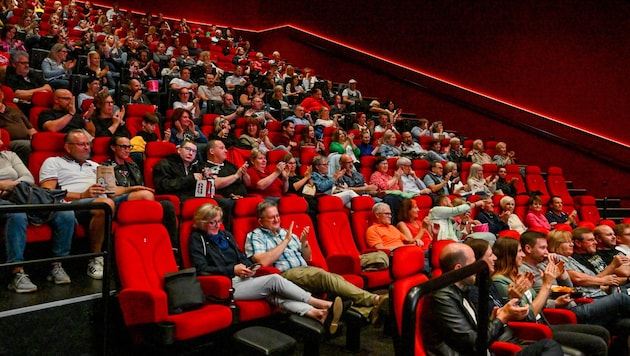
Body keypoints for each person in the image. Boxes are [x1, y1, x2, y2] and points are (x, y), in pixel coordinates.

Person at [188, 203, 345, 333]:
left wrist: (250, 267)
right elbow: (201, 268)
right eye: (212, 222)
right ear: (202, 222)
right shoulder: (197, 239)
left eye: (219, 221)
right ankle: (321, 304)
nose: (217, 225)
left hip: (243, 278)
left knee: (274, 295)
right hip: (224, 285)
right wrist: (232, 270)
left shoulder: (226, 235)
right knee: (274, 280)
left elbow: (241, 257)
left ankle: (318, 314)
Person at [244, 201, 386, 321]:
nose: (276, 220)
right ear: (261, 221)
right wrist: (285, 241)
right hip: (284, 276)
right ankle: (373, 300)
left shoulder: (286, 232)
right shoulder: (256, 236)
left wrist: (304, 243)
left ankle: (367, 312)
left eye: (277, 216)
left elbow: (307, 257)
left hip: (305, 270)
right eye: (271, 218)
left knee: (334, 280)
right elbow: (263, 262)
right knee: (324, 276)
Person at [40, 129, 153, 279]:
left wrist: (131, 188)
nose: (87, 147)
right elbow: (47, 192)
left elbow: (111, 191)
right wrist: (82, 195)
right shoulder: (53, 162)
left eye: (88, 144)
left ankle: (141, 252)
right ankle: (95, 258)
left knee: (146, 196)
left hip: (104, 201)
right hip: (74, 204)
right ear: (68, 147)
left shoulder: (95, 165)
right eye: (81, 144)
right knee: (105, 204)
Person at [421, 242, 563, 356]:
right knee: (550, 346)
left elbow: (472, 333)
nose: (478, 269)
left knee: (549, 345)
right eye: (474, 264)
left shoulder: (463, 288)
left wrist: (492, 320)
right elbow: (475, 343)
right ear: (459, 268)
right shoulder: (442, 297)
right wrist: (501, 318)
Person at [492, 236, 610, 356]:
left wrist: (554, 298)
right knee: (597, 343)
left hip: (545, 322)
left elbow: (538, 301)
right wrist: (547, 284)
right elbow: (529, 315)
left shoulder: (520, 274)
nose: (522, 255)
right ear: (509, 255)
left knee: (602, 332)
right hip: (534, 331)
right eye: (519, 251)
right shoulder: (500, 281)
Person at [0, 137, 75, 292]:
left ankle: (57, 264)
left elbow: (27, 178)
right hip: (8, 201)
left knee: (65, 213)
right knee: (17, 214)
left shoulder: (10, 156)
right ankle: (16, 272)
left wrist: (9, 188)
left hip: (19, 195)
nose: (1, 141)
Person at [100, 135, 177, 243]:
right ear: (113, 147)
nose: (127, 150)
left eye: (129, 147)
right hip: (116, 202)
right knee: (146, 196)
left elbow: (141, 186)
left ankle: (172, 246)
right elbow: (111, 193)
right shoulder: (105, 166)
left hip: (137, 199)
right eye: (123, 147)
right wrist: (133, 189)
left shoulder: (133, 165)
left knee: (167, 205)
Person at [202, 140, 249, 224]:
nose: (226, 151)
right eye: (221, 148)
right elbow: (215, 183)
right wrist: (236, 176)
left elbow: (248, 184)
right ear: (212, 151)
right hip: (227, 199)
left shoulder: (230, 164)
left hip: (243, 197)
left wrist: (244, 174)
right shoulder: (206, 167)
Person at [0, 86, 35, 165]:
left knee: (41, 144)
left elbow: (31, 129)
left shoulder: (15, 109)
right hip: (7, 142)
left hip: (27, 140)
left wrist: (36, 139)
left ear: (2, 95)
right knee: (25, 145)